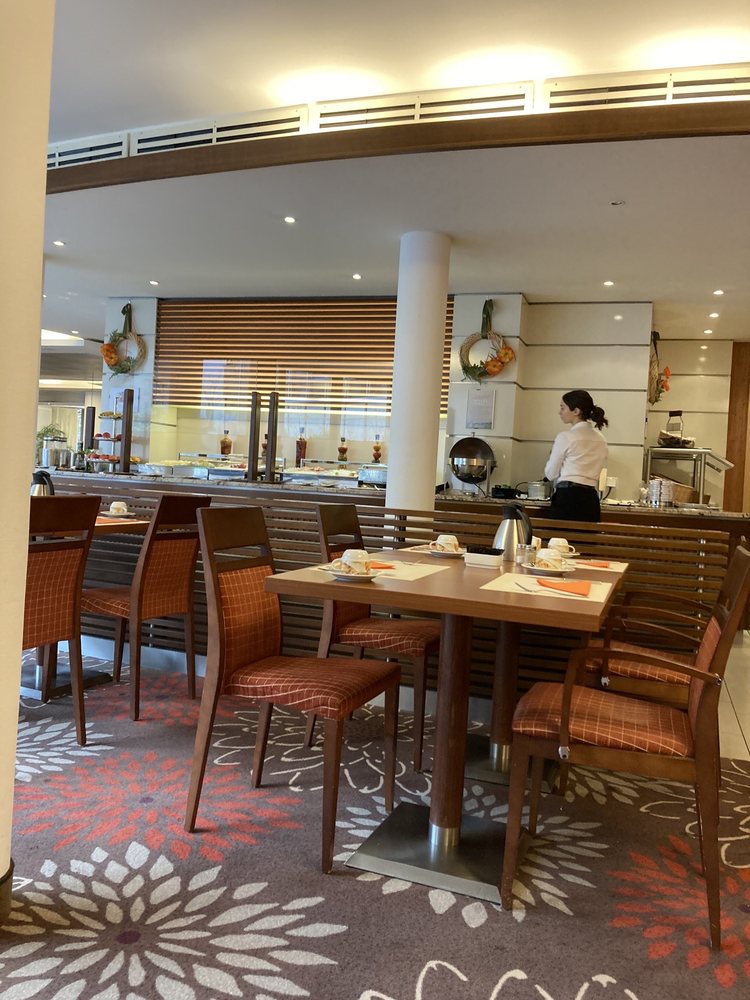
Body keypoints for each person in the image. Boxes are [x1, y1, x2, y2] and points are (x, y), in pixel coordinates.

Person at [544, 389, 608, 522]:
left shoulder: (566, 437)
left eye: (563, 407)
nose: (559, 412)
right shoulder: (601, 439)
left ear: (576, 411)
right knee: (587, 535)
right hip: (591, 498)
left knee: (562, 535)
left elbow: (551, 473)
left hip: (567, 497)